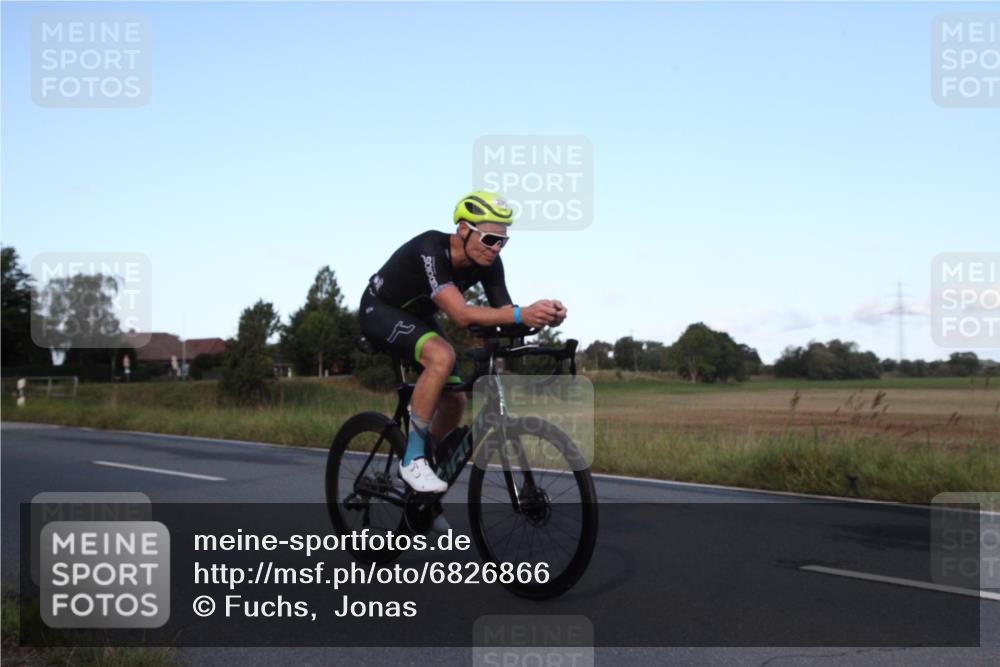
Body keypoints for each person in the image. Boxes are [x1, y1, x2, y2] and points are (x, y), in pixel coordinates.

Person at [359, 191, 566, 493]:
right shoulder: (431, 249)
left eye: (502, 241)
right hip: (380, 310)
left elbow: (505, 314)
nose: (495, 248)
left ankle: (423, 475)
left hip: (417, 317)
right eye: (489, 240)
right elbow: (461, 315)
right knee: (441, 356)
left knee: (455, 401)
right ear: (463, 230)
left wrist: (543, 316)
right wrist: (522, 315)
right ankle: (412, 460)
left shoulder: (490, 262)